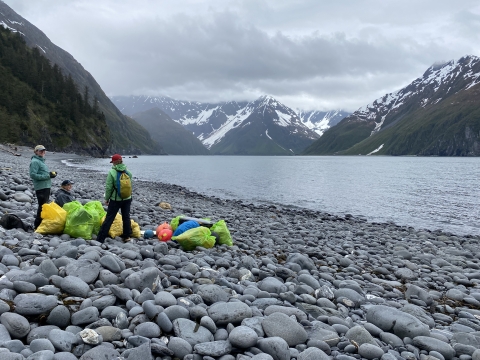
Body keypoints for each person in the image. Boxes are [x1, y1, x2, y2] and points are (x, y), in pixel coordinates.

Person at [96, 154, 133, 243]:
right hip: (127, 198)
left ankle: (100, 239)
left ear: (114, 163)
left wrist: (107, 198)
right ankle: (127, 236)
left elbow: (109, 187)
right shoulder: (128, 172)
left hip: (116, 199)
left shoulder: (112, 173)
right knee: (126, 217)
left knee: (109, 218)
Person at [29, 145, 56, 229]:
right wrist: (48, 176)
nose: (43, 152)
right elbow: (33, 175)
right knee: (42, 206)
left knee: (43, 206)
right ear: (36, 151)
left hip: (45, 186)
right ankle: (37, 225)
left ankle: (40, 223)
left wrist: (51, 174)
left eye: (44, 151)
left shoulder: (40, 161)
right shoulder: (35, 162)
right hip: (41, 187)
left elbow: (42, 173)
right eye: (40, 151)